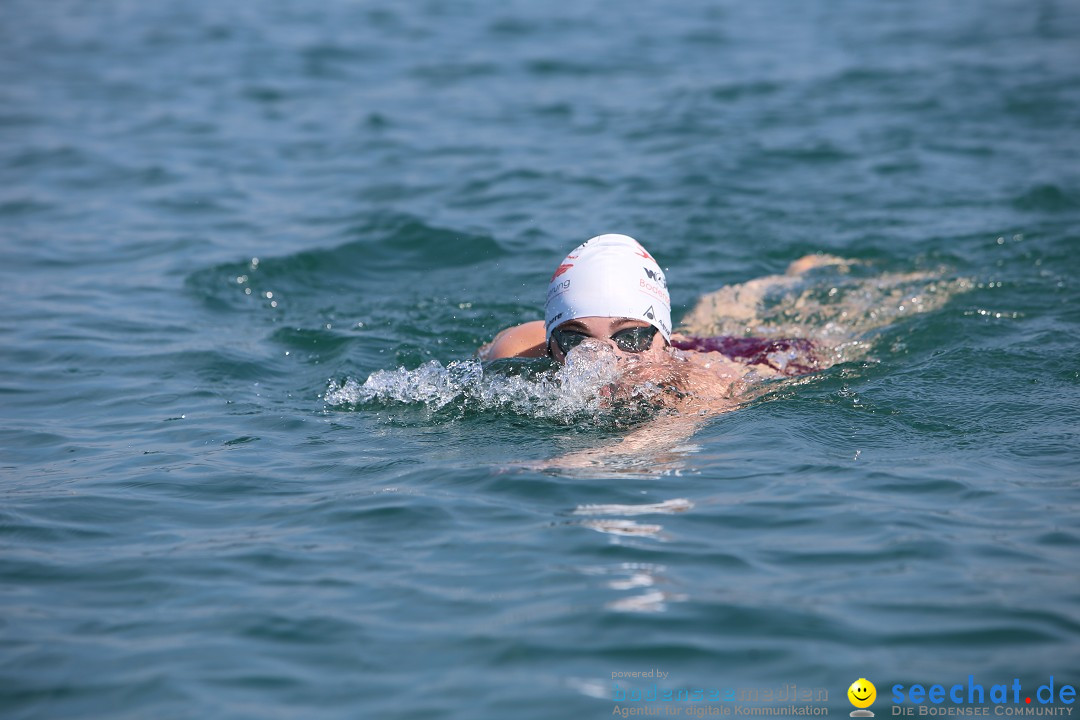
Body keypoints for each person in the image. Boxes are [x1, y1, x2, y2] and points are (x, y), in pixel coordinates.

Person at [479, 234, 827, 412]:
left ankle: (797, 275)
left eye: (630, 337)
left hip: (758, 355)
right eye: (576, 339)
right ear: (551, 341)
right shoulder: (518, 350)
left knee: (813, 330)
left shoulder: (702, 383)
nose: (605, 356)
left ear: (663, 337)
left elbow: (656, 445)